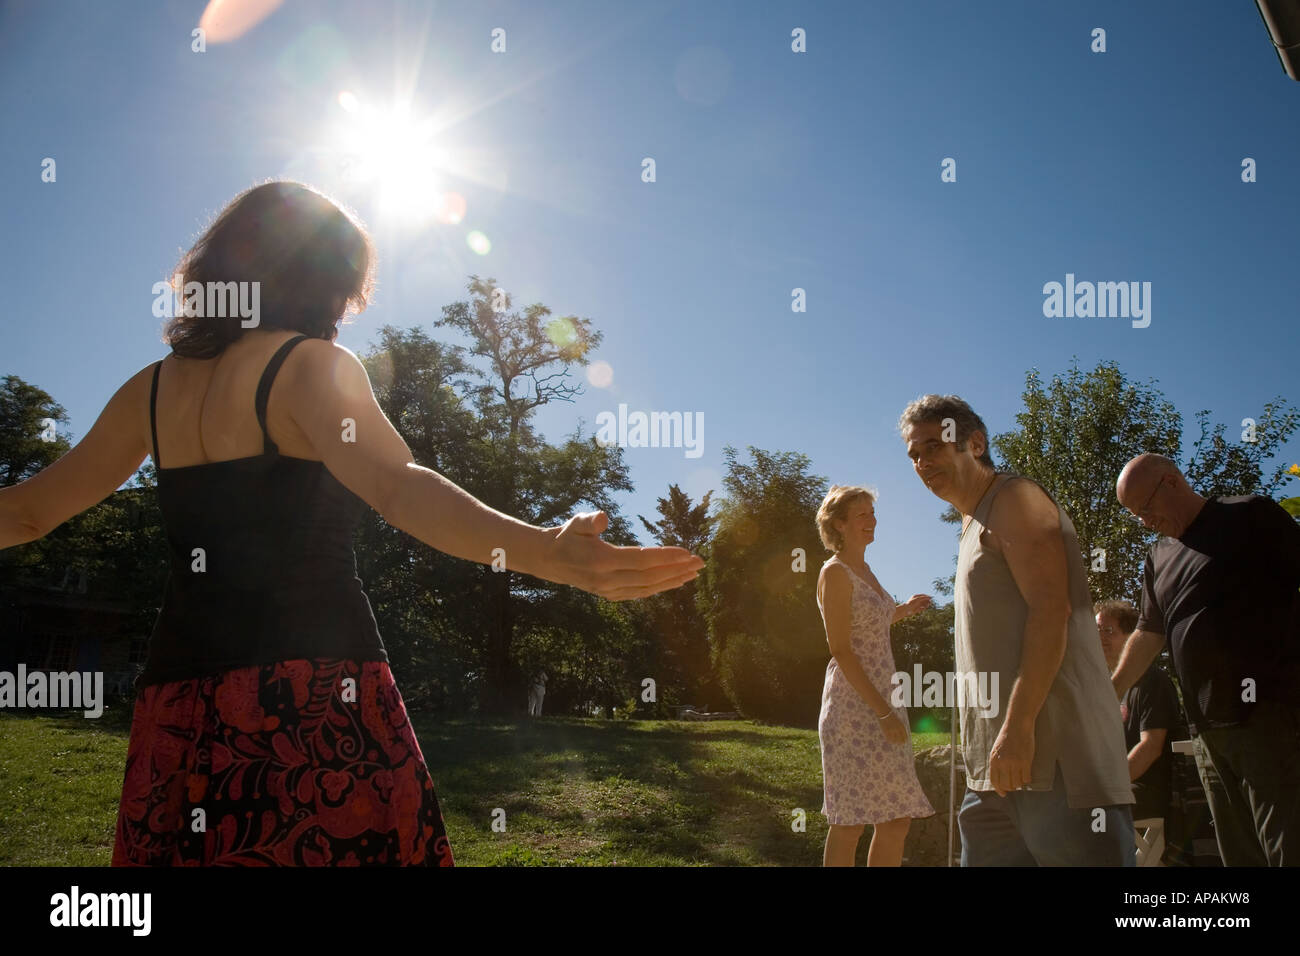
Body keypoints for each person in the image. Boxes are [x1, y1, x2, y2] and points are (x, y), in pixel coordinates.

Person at [0, 181, 703, 866]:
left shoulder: (148, 390)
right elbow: (399, 488)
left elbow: (27, 513)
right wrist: (548, 553)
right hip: (311, 697)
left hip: (180, 707)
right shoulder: (311, 367)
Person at [899, 394, 1134, 866]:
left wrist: (1019, 726)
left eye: (934, 445)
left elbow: (1052, 610)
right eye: (914, 454)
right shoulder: (971, 523)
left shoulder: (1014, 498)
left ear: (976, 442)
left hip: (1054, 762)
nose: (923, 461)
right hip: (992, 773)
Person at [1112, 453, 1300, 866]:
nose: (1144, 521)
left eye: (1145, 508)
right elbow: (1148, 632)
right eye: (1135, 515)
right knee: (1238, 852)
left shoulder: (1250, 516)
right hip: (1205, 730)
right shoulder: (1158, 557)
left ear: (1172, 482)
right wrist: (1113, 690)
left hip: (1267, 715)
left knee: (1287, 846)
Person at [814, 484, 935, 867]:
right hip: (854, 708)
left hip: (886, 700)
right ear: (839, 523)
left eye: (872, 513)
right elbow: (841, 648)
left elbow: (872, 622)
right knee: (850, 821)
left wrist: (904, 610)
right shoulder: (834, 573)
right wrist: (882, 712)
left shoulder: (865, 569)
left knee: (896, 816)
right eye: (862, 514)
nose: (872, 520)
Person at [1096, 598, 1185, 863]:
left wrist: (1108, 786)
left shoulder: (1153, 681)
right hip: (1124, 787)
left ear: (1132, 638)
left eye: (1108, 630)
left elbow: (1150, 748)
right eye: (1096, 630)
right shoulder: (1111, 686)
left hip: (1146, 790)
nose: (1098, 637)